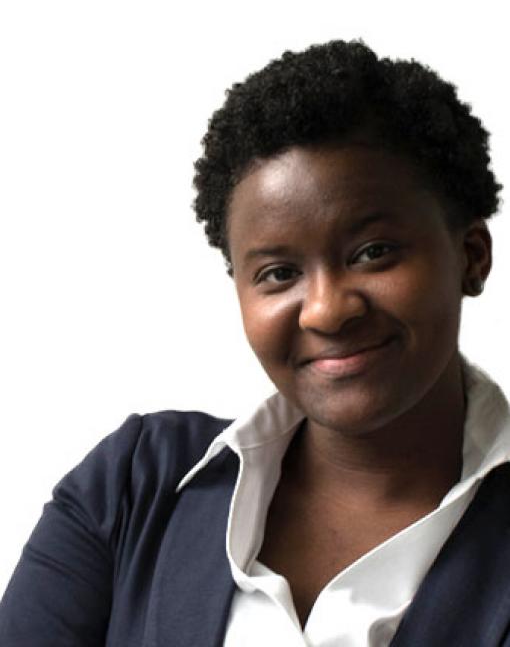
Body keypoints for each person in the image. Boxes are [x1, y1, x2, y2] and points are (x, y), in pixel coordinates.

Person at [0, 39, 508, 647]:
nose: (326, 310)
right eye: (278, 273)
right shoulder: (136, 486)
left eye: (373, 253)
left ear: (471, 257)